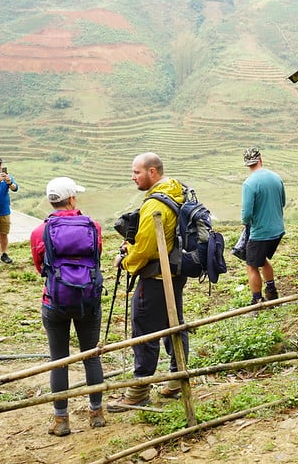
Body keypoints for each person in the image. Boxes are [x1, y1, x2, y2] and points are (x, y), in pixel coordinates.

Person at [108, 152, 188, 411]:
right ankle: (177, 379)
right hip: (176, 272)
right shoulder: (177, 190)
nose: (133, 177)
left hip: (155, 276)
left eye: (137, 172)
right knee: (173, 323)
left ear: (153, 172)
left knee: (144, 330)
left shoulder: (155, 204)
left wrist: (126, 261)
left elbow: (143, 249)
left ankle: (139, 390)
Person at [30, 177, 105, 436]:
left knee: (58, 360)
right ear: (72, 199)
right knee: (91, 356)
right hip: (88, 299)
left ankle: (61, 420)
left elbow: (41, 266)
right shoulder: (92, 226)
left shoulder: (40, 231)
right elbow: (97, 259)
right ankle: (97, 413)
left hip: (54, 301)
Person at [241, 146, 286, 306]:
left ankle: (257, 300)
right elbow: (283, 202)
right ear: (261, 159)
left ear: (247, 164)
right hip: (278, 230)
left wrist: (247, 223)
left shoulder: (249, 184)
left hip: (260, 232)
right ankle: (272, 292)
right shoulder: (276, 177)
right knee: (263, 259)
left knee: (251, 265)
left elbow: (246, 214)